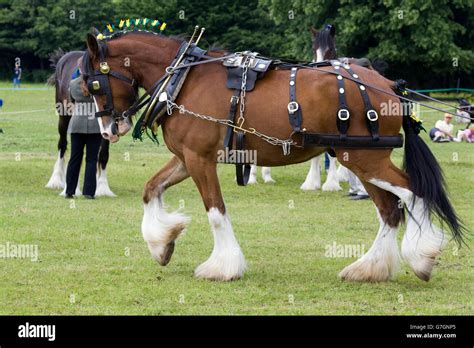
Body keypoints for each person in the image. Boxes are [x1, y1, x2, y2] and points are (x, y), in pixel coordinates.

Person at [64, 68, 102, 199]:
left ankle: (69, 190)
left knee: (74, 158)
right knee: (91, 160)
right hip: (95, 126)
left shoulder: (72, 84)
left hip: (77, 124)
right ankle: (89, 192)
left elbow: (72, 100)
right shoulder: (98, 84)